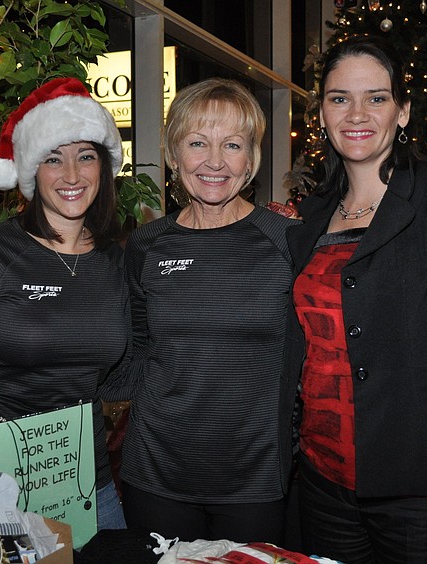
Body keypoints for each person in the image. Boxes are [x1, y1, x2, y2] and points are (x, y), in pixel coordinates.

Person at [282, 36, 427, 563]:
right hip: (322, 479)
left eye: (377, 97)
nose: (357, 113)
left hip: (421, 489)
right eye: (340, 98)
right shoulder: (311, 216)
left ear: (404, 111)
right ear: (321, 112)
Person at [0, 77, 129, 530]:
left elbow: (122, 372)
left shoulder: (117, 262)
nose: (72, 175)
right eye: (54, 159)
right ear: (31, 170)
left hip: (86, 488)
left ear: (104, 166)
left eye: (86, 156)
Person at [120, 77, 296, 544]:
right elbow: (136, 350)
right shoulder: (146, 243)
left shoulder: (286, 241)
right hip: (156, 471)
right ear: (175, 157)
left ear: (251, 160)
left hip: (256, 479)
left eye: (232, 145)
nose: (214, 161)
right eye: (197, 143)